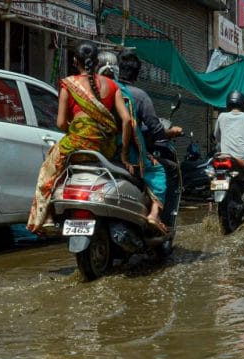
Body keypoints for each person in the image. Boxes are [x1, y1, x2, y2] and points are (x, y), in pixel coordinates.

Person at [27, 40, 133, 235]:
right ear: (96, 61)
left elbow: (60, 124)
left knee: (48, 171)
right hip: (104, 148)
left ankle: (47, 216)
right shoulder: (112, 85)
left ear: (75, 61)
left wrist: (77, 129)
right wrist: (124, 155)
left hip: (76, 147)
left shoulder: (68, 84)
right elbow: (126, 120)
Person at [98, 50, 169, 232]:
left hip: (97, 147)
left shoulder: (95, 90)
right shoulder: (131, 94)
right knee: (158, 171)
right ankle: (154, 214)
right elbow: (140, 124)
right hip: (125, 152)